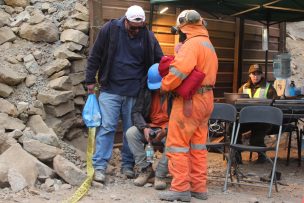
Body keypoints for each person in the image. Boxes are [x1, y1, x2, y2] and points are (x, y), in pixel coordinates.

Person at [85, 5, 163, 183]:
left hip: (135, 92)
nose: (136, 31)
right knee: (107, 127)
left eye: (140, 27)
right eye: (133, 27)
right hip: (110, 89)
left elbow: (160, 60)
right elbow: (95, 55)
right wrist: (90, 80)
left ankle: (127, 165)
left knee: (130, 131)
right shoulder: (110, 30)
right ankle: (99, 166)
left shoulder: (148, 36)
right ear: (125, 20)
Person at [158, 10, 218, 202]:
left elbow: (179, 71)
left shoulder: (191, 45)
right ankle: (199, 188)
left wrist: (165, 85)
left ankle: (180, 188)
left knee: (177, 144)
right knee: (198, 145)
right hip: (206, 98)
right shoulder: (208, 44)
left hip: (190, 101)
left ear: (184, 27)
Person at [126, 63, 169, 190]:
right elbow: (136, 112)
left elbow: (180, 117)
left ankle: (160, 174)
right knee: (131, 133)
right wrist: (144, 128)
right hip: (151, 127)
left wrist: (166, 129)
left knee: (175, 141)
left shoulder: (175, 92)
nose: (157, 90)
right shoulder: (146, 91)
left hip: (169, 128)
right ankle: (146, 169)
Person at [236, 64, 278, 163]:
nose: (256, 76)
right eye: (253, 73)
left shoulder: (269, 88)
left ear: (261, 75)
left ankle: (262, 156)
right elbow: (237, 103)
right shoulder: (243, 88)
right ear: (249, 75)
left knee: (255, 140)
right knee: (233, 128)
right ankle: (237, 155)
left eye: (258, 73)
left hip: (263, 120)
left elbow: (274, 106)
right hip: (247, 119)